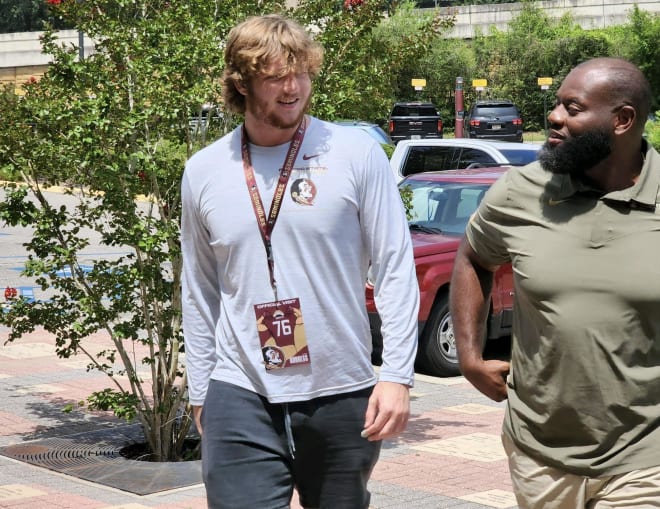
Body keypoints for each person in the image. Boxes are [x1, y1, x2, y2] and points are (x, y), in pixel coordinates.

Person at [180, 14, 419, 509]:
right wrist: (201, 389)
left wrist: (397, 375)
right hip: (240, 389)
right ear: (240, 84)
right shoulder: (204, 170)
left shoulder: (355, 154)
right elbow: (200, 286)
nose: (292, 88)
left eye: (301, 72)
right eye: (274, 76)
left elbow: (394, 266)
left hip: (341, 390)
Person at [450, 57, 660, 509]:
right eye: (557, 104)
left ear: (622, 120)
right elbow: (472, 257)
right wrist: (469, 356)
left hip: (647, 455)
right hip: (538, 452)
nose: (554, 116)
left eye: (573, 107)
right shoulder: (520, 192)